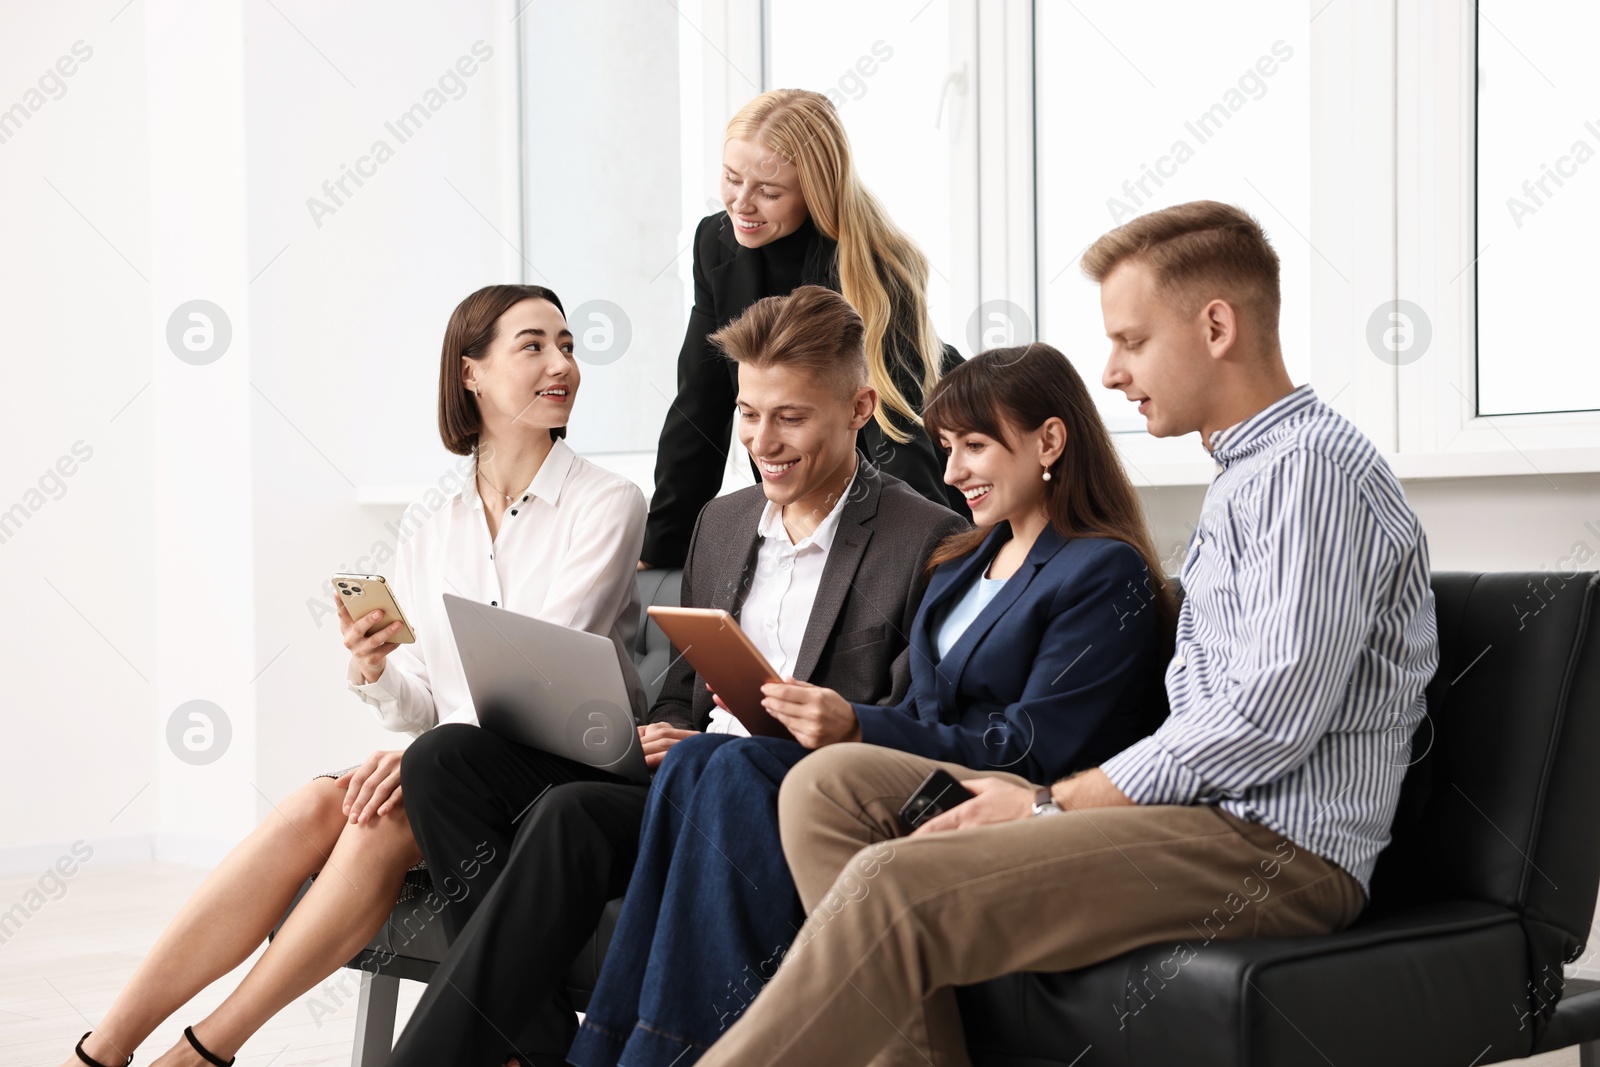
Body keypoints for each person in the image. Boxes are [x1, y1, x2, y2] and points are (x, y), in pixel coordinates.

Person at [689, 200, 1443, 1067]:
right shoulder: (1249, 473)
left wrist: (1050, 803)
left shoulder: (1310, 473)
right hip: (1197, 820)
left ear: (1216, 325)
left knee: (893, 885)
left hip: (1274, 848)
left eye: (1131, 340)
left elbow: (1267, 722)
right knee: (828, 790)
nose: (1113, 373)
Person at [62, 285, 645, 1067]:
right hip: (457, 764)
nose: (562, 364)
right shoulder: (432, 518)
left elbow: (541, 669)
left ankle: (204, 1052)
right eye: (534, 345)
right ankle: (103, 1048)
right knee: (315, 804)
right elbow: (422, 697)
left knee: (380, 815)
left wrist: (421, 748)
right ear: (470, 372)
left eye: (568, 345)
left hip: (565, 770)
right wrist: (373, 665)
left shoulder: (607, 502)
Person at [388, 285, 969, 1067]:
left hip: (781, 796)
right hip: (684, 775)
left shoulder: (924, 536)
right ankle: (533, 1049)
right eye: (749, 413)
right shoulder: (723, 523)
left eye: (790, 416)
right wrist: (666, 726)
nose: (764, 439)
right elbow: (683, 689)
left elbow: (904, 720)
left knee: (570, 815)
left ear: (861, 407)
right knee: (443, 757)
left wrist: (824, 719)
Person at [568, 341, 1175, 1067]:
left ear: (1049, 439)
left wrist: (854, 724)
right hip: (910, 773)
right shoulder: (965, 561)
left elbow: (1031, 748)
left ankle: (659, 1053)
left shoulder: (1101, 569)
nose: (952, 472)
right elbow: (918, 706)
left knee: (729, 769)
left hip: (1007, 797)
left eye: (974, 446)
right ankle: (607, 1051)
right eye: (947, 447)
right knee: (697, 757)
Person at [641, 87, 968, 571]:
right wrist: (663, 545)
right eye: (731, 179)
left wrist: (912, 558)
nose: (742, 205)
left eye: (769, 192)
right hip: (803, 490)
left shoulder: (872, 262)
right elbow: (700, 401)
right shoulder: (715, 242)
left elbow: (895, 426)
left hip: (901, 461)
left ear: (817, 191)